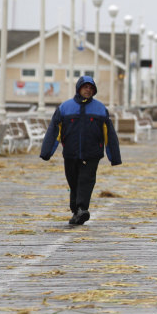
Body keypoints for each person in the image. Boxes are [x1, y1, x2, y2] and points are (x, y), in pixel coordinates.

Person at [40, 76, 121, 225]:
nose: (88, 90)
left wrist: (114, 156)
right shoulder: (65, 108)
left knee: (86, 181)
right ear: (79, 88)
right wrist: (46, 152)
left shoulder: (100, 109)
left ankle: (82, 208)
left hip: (92, 154)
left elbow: (109, 134)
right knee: (73, 182)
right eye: (85, 87)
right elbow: (53, 131)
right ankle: (76, 211)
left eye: (91, 88)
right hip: (71, 153)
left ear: (94, 91)